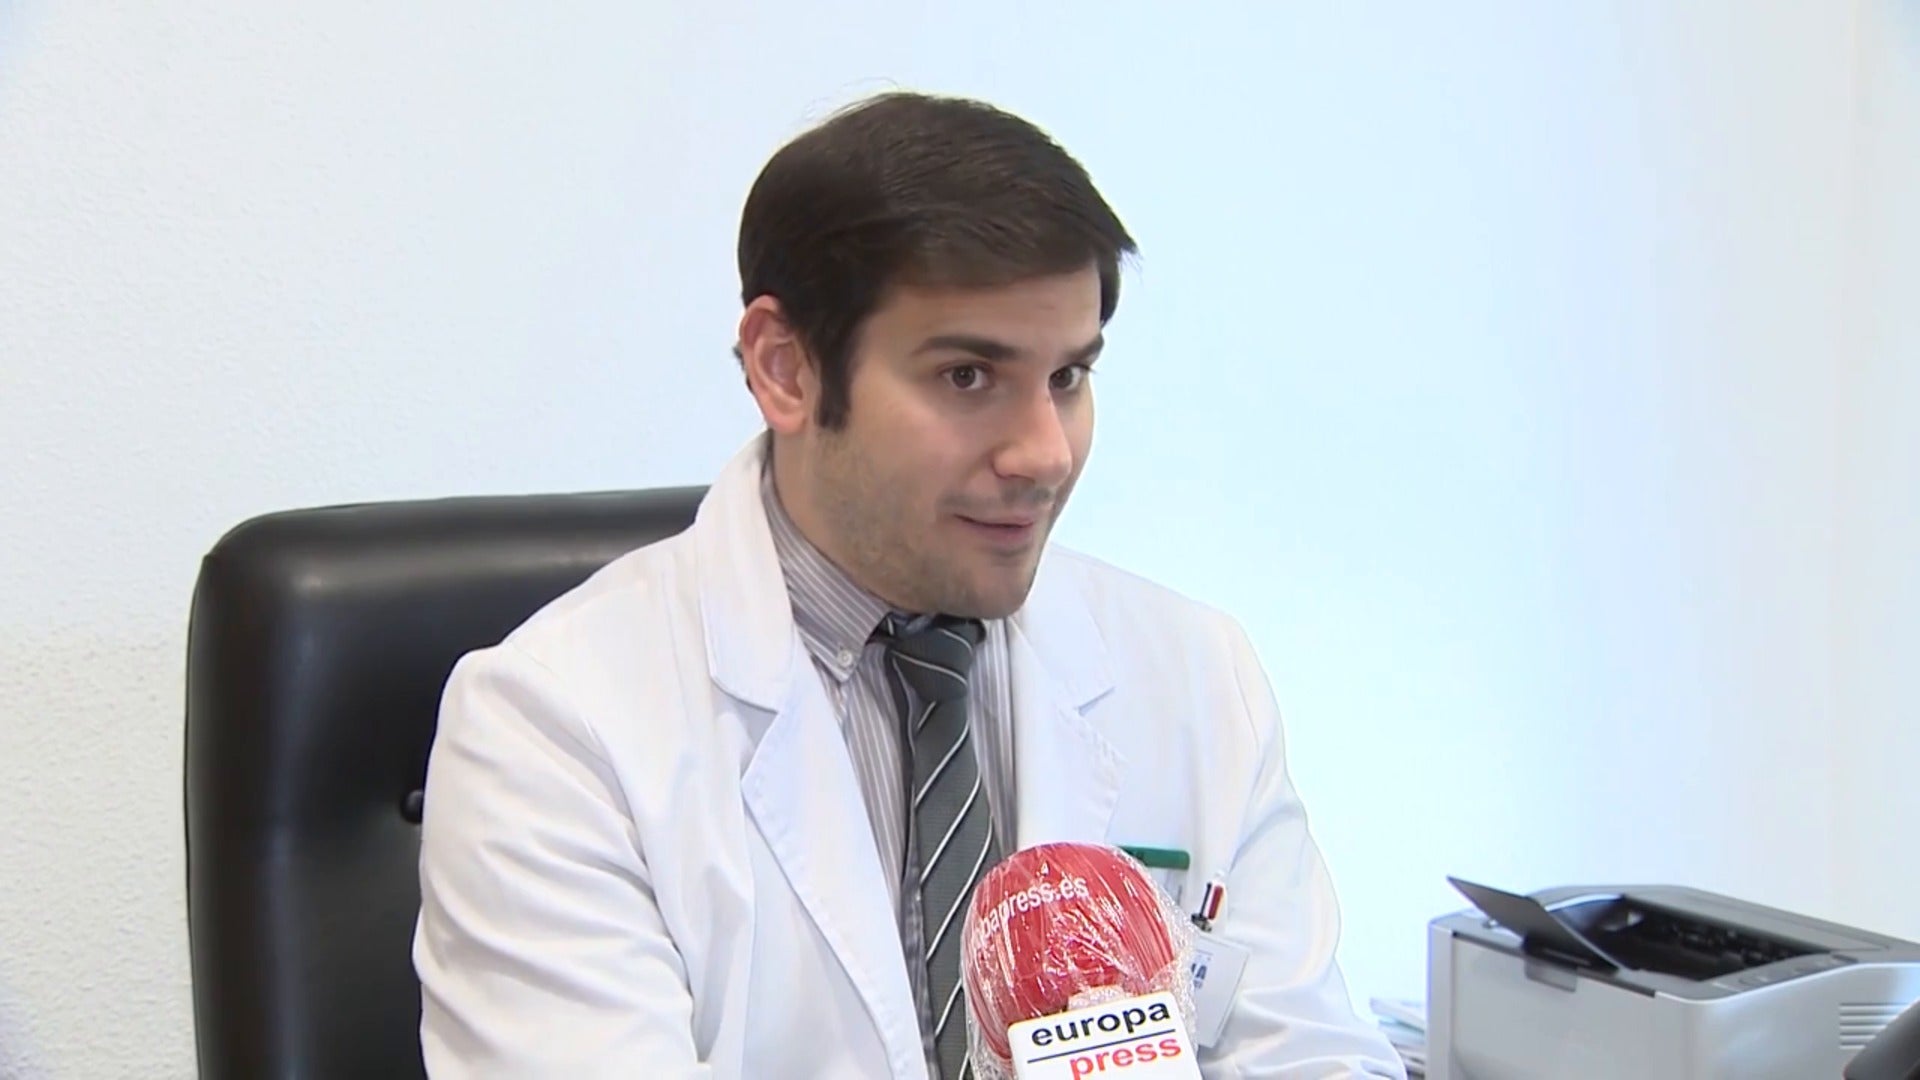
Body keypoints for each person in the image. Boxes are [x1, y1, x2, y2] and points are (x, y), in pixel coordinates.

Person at [413, 91, 1404, 1079]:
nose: (1045, 455)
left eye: (1067, 377)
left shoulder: (1196, 674)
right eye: (969, 376)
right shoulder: (555, 727)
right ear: (785, 369)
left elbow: (1310, 1055)